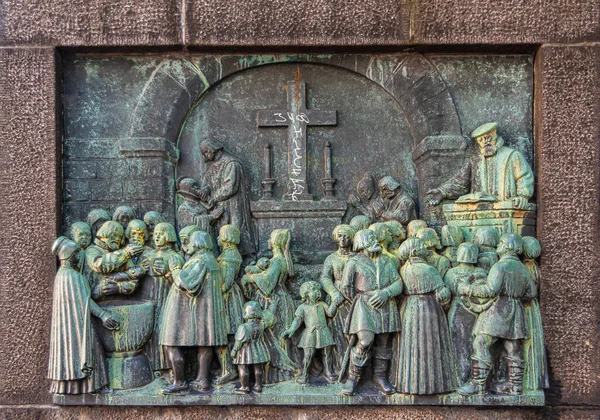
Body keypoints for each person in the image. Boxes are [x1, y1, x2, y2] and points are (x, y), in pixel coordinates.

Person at [457, 234, 537, 396]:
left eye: (500, 243)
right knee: (513, 347)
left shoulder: (499, 267)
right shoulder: (523, 269)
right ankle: (515, 386)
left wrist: (467, 289)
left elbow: (490, 290)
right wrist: (515, 296)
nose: (498, 246)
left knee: (480, 342)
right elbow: (531, 293)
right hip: (516, 310)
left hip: (498, 309)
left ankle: (477, 384)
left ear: (506, 246)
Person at [48, 236, 119, 394]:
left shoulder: (61, 276)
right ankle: (93, 386)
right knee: (91, 348)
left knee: (68, 353)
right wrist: (103, 315)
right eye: (78, 254)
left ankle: (68, 387)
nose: (81, 257)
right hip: (78, 324)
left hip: (67, 325)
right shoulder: (75, 277)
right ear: (70, 256)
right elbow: (86, 302)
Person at [160, 231, 227, 393]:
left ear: (197, 243)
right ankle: (202, 380)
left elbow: (187, 283)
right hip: (200, 311)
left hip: (189, 312)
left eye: (187, 242)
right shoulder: (209, 260)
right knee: (204, 343)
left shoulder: (201, 261)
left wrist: (174, 269)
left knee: (171, 343)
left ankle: (180, 381)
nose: (185, 246)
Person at [341, 229, 403, 396]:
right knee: (365, 340)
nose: (375, 241)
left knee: (384, 342)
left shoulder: (386, 262)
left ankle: (380, 377)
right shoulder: (353, 262)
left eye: (375, 237)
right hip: (364, 305)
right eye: (371, 239)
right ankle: (353, 378)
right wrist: (363, 299)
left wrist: (386, 293)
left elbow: (398, 282)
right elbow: (346, 288)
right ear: (362, 242)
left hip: (385, 304)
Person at [395, 238, 456, 395]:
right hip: (428, 309)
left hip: (408, 309)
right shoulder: (428, 270)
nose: (426, 247)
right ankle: (434, 385)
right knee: (431, 348)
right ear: (415, 251)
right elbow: (442, 294)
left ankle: (408, 384)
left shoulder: (403, 270)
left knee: (411, 349)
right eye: (422, 245)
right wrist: (446, 303)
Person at [427, 122, 534, 209]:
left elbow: (524, 177)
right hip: (480, 210)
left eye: (488, 137)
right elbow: (460, 181)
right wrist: (442, 191)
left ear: (495, 136)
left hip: (506, 208)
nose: (485, 142)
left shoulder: (512, 155)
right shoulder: (475, 160)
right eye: (481, 139)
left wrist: (522, 196)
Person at [241, 229, 300, 367]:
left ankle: (278, 368)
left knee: (274, 335)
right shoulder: (279, 260)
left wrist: (249, 278)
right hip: (281, 297)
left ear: (275, 242)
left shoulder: (277, 261)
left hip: (274, 301)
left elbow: (268, 284)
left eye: (270, 239)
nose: (268, 241)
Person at [139, 222, 184, 374]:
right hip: (147, 295)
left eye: (161, 233)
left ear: (169, 235)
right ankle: (153, 366)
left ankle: (169, 368)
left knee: (163, 330)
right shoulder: (148, 254)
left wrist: (167, 273)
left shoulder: (174, 257)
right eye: (156, 233)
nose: (157, 236)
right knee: (149, 329)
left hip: (165, 296)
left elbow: (181, 283)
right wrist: (141, 269)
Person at [198, 139, 255, 258]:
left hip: (233, 205)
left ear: (212, 149)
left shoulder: (231, 163)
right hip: (220, 206)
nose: (205, 156)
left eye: (206, 152)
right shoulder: (212, 166)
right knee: (222, 232)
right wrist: (206, 190)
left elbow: (230, 186)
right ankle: (226, 257)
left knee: (236, 229)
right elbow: (209, 182)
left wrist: (213, 197)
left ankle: (247, 258)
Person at [444, 242, 489, 386]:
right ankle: (469, 379)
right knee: (473, 347)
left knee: (458, 347)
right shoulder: (481, 273)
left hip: (458, 311)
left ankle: (460, 379)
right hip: (475, 312)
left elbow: (447, 296)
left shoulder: (452, 273)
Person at [283, 281, 338, 384]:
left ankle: (329, 371)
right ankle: (304, 374)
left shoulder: (322, 304)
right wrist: (291, 329)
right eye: (313, 290)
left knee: (327, 353)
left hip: (324, 332)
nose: (317, 292)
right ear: (306, 293)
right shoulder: (302, 307)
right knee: (308, 354)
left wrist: (334, 303)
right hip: (310, 333)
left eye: (318, 289)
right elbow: (297, 320)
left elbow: (330, 313)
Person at [319, 224, 355, 374]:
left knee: (353, 334)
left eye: (346, 235)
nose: (343, 239)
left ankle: (353, 370)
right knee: (336, 334)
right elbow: (325, 278)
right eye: (340, 235)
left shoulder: (357, 257)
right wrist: (334, 293)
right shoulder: (331, 258)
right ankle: (338, 367)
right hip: (336, 298)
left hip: (353, 298)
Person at [215, 224, 246, 385]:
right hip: (228, 297)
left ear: (226, 238)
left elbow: (225, 283)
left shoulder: (229, 257)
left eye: (220, 235)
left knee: (225, 335)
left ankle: (230, 369)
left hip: (227, 299)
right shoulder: (228, 254)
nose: (218, 238)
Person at [85, 221, 143, 300]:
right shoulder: (92, 251)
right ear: (104, 233)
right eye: (115, 235)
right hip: (97, 300)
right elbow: (100, 265)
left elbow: (135, 279)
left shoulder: (122, 255)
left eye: (120, 237)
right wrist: (125, 253)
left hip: (119, 301)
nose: (117, 239)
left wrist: (120, 287)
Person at [521, 236, 549, 391]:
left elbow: (529, 293)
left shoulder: (526, 267)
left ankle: (530, 381)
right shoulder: (534, 266)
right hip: (533, 308)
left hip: (527, 308)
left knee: (527, 342)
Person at [231, 301, 276, 394]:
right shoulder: (261, 325)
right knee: (258, 368)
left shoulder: (243, 327)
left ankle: (245, 387)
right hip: (258, 349)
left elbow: (239, 342)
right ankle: (258, 385)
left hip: (244, 351)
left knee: (243, 368)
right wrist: (271, 307)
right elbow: (272, 319)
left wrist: (234, 351)